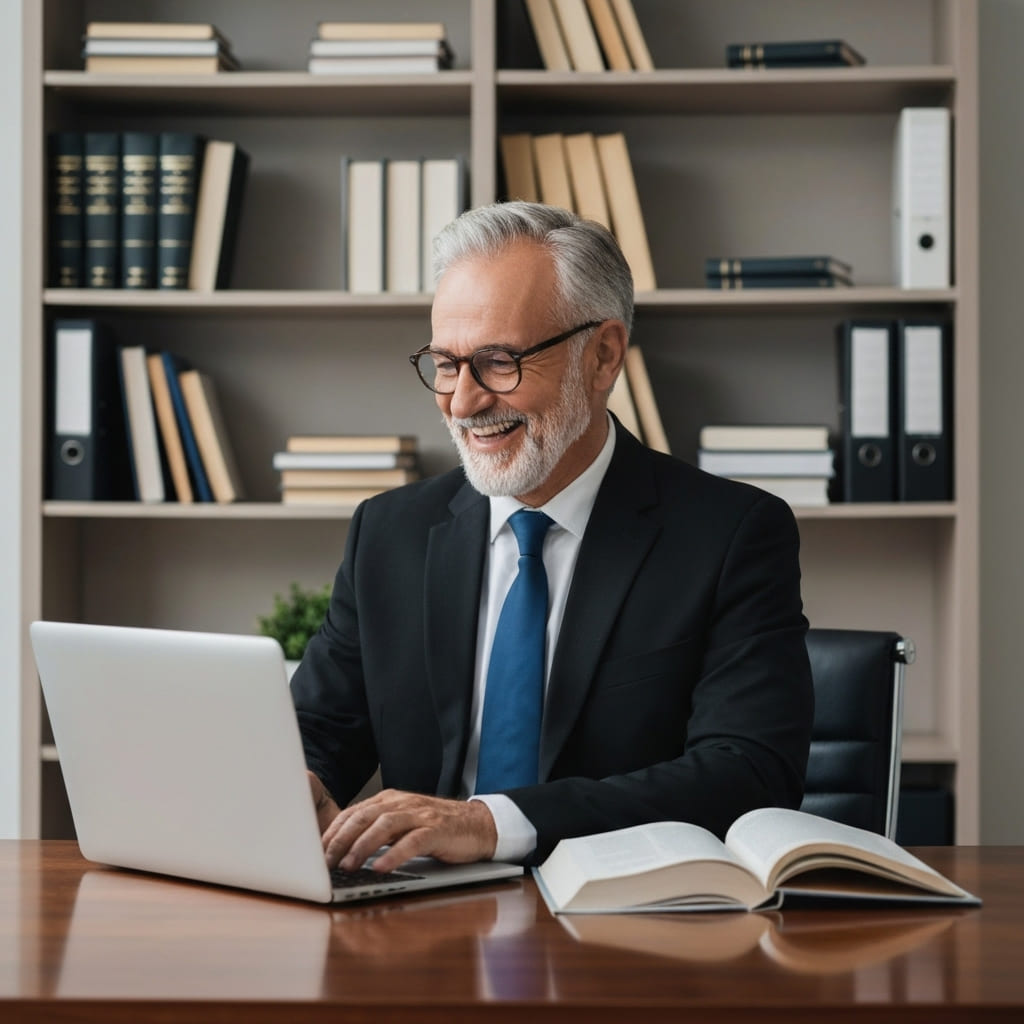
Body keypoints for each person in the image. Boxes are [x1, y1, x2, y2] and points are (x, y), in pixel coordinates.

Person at [290, 200, 814, 874]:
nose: (463, 402)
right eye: (445, 364)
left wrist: (490, 824)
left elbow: (748, 773)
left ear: (602, 357)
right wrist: (298, 781)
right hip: (421, 910)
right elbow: (321, 728)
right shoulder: (390, 533)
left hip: (627, 912)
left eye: (499, 361)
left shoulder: (731, 534)